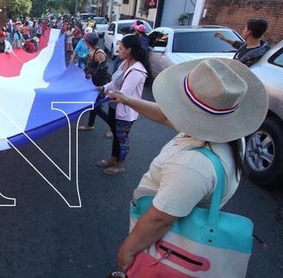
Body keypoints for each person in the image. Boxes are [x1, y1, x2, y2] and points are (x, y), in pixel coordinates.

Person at [109, 58, 268, 273]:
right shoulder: (227, 134)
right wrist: (127, 100)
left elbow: (160, 219)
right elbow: (167, 116)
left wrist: (128, 250)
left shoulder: (193, 164)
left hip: (166, 243)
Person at [95, 34, 148, 175]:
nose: (118, 50)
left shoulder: (136, 71)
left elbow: (122, 95)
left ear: (129, 50)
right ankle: (113, 159)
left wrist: (105, 94)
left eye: (121, 48)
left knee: (121, 138)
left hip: (125, 112)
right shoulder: (125, 63)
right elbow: (114, 83)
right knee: (115, 136)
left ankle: (120, 165)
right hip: (115, 107)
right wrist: (103, 88)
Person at [76, 32, 108, 131]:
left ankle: (113, 125)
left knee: (96, 107)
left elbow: (103, 70)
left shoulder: (99, 54)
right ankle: (90, 124)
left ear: (87, 42)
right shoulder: (92, 51)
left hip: (100, 84)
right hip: (94, 82)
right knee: (93, 105)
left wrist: (92, 74)